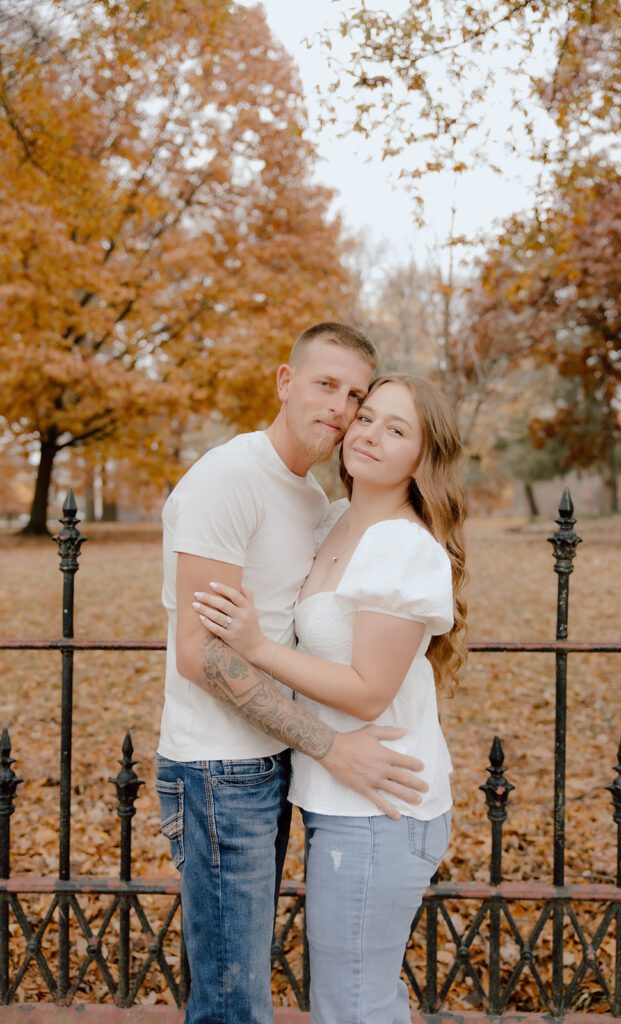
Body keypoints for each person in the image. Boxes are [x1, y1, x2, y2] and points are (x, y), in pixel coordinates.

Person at [156, 325, 429, 1024]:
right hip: (218, 771)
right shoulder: (227, 479)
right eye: (324, 385)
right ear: (284, 381)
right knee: (232, 1001)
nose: (341, 408)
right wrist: (332, 746)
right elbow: (201, 653)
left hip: (272, 762)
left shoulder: (313, 500)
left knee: (253, 992)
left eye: (356, 396)